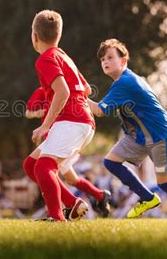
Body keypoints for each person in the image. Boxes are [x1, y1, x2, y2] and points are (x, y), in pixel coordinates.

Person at [88, 38, 167, 219]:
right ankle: (147, 198)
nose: (105, 62)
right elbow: (104, 109)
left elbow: (99, 111)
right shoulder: (122, 82)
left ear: (123, 61)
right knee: (110, 162)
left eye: (110, 57)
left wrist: (76, 95)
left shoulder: (124, 82)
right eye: (102, 60)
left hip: (159, 135)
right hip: (139, 136)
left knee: (165, 183)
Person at [22, 10, 97, 221]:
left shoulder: (45, 59)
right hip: (80, 121)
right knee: (31, 166)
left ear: (34, 36)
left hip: (72, 121)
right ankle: (73, 204)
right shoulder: (63, 55)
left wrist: (45, 126)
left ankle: (57, 218)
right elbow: (87, 89)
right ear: (59, 35)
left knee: (44, 166)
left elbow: (63, 92)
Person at [25, 87, 111, 217]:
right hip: (53, 138)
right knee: (69, 179)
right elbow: (28, 112)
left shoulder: (66, 87)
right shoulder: (42, 91)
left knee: (46, 170)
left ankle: (57, 211)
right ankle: (99, 195)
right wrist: (42, 112)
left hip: (68, 136)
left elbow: (84, 94)